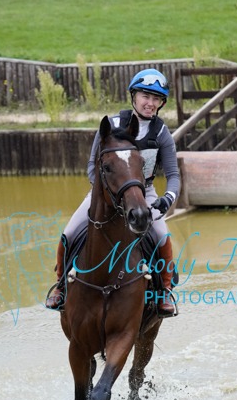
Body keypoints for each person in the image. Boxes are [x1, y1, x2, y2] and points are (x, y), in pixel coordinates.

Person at [45, 67, 180, 316]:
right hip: (106, 193)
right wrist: (106, 195)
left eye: (156, 99)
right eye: (145, 96)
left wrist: (166, 200)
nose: (150, 103)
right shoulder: (111, 125)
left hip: (145, 193)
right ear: (133, 96)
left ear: (161, 103)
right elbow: (92, 166)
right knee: (69, 233)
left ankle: (164, 291)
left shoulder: (161, 133)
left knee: (162, 236)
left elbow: (173, 175)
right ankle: (61, 286)